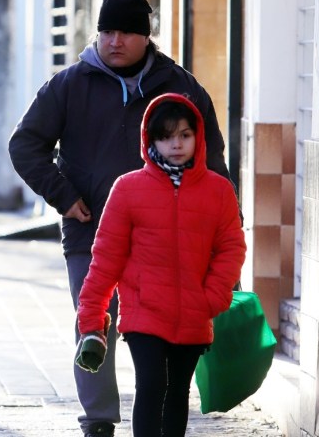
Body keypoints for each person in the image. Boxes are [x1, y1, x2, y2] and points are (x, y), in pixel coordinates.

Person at [8, 0, 233, 437]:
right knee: (94, 324)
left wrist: (219, 229)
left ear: (145, 37)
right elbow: (24, 145)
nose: (115, 40)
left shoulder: (181, 86)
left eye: (127, 32)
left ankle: (159, 415)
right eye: (107, 31)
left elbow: (213, 161)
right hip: (90, 230)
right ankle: (98, 420)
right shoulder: (68, 85)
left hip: (167, 239)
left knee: (163, 335)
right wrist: (64, 196)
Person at [73, 93, 246, 436]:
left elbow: (231, 248)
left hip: (195, 311)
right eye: (166, 136)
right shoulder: (128, 188)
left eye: (184, 134)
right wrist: (91, 317)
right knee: (151, 385)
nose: (176, 144)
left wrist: (212, 297)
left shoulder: (219, 191)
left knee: (178, 392)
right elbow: (106, 256)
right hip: (144, 312)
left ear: (198, 135)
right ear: (150, 140)